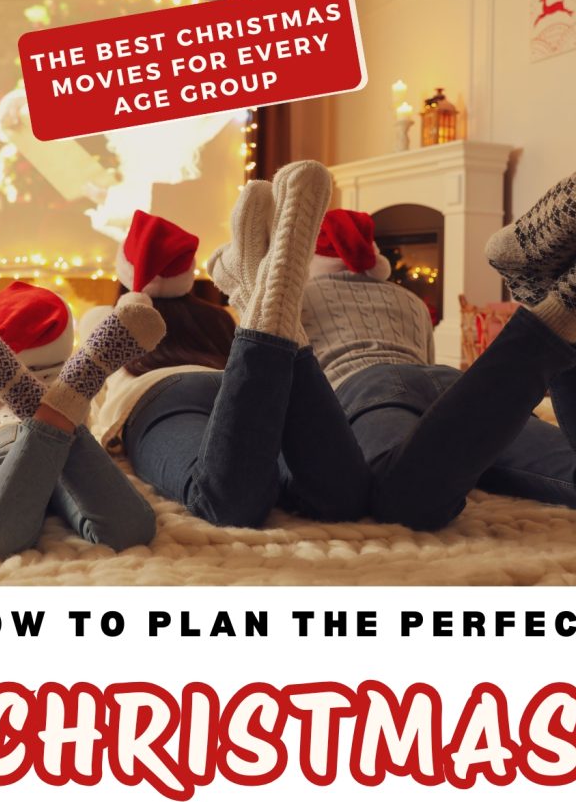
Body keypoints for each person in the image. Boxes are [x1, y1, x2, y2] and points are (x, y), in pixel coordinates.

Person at [295, 165, 576, 529]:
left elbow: (284, 378)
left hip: (369, 386)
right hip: (450, 383)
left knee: (405, 499)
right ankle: (560, 301)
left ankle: (555, 306)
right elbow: (426, 366)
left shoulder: (297, 297)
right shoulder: (410, 300)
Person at [90, 160, 371, 528]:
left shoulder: (104, 317)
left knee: (225, 502)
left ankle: (268, 289)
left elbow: (90, 395)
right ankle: (262, 289)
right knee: (340, 497)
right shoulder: (218, 317)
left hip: (159, 398)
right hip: (231, 392)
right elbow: (248, 376)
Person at [0, 281, 164, 557]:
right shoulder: (69, 379)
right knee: (131, 531)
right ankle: (59, 407)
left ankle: (30, 400)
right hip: (70, 443)